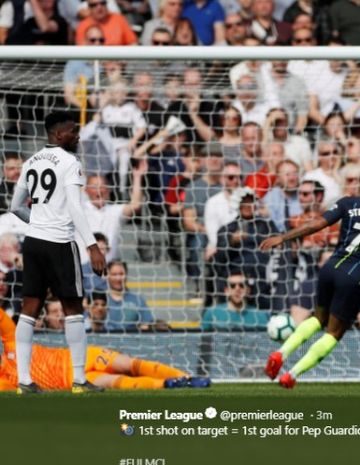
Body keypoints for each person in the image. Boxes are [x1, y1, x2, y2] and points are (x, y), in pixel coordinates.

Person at [261, 168, 360, 389]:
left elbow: (316, 224)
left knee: (318, 318)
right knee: (334, 332)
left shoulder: (347, 202)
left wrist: (283, 237)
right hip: (353, 276)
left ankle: (280, 353)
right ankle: (292, 375)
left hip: (329, 268)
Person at [9, 111, 107, 394]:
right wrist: (92, 245)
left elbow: (16, 206)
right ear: (58, 133)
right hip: (60, 244)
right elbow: (76, 207)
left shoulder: (30, 161)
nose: (77, 135)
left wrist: (39, 221)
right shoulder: (70, 162)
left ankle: (24, 381)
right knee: (73, 308)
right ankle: (78, 380)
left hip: (34, 242)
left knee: (29, 309)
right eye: (73, 130)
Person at [0, 308, 209, 390]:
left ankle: (187, 377)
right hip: (70, 381)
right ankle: (168, 384)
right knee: (116, 382)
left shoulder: (13, 344)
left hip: (80, 356)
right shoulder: (5, 379)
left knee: (130, 364)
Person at [200, 271, 268, 330]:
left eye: (241, 285)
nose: (237, 289)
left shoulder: (260, 315)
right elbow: (203, 341)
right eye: (232, 286)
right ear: (226, 291)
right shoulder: (212, 313)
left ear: (248, 290)